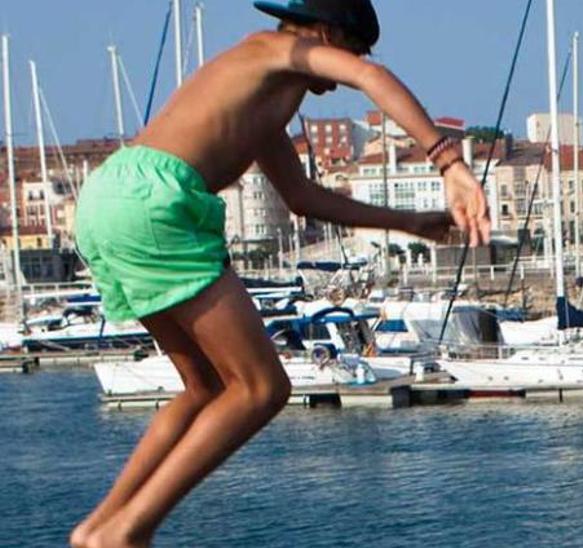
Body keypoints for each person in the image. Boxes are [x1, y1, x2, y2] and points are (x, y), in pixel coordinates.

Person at [70, 2, 489, 546]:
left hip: (109, 197)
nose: (343, 74)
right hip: (157, 202)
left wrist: (408, 222)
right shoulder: (279, 50)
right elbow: (372, 79)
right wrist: (448, 164)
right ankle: (128, 532)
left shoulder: (260, 96)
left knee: (204, 388)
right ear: (328, 31)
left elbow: (302, 198)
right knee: (262, 388)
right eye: (353, 49)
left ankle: (97, 527)